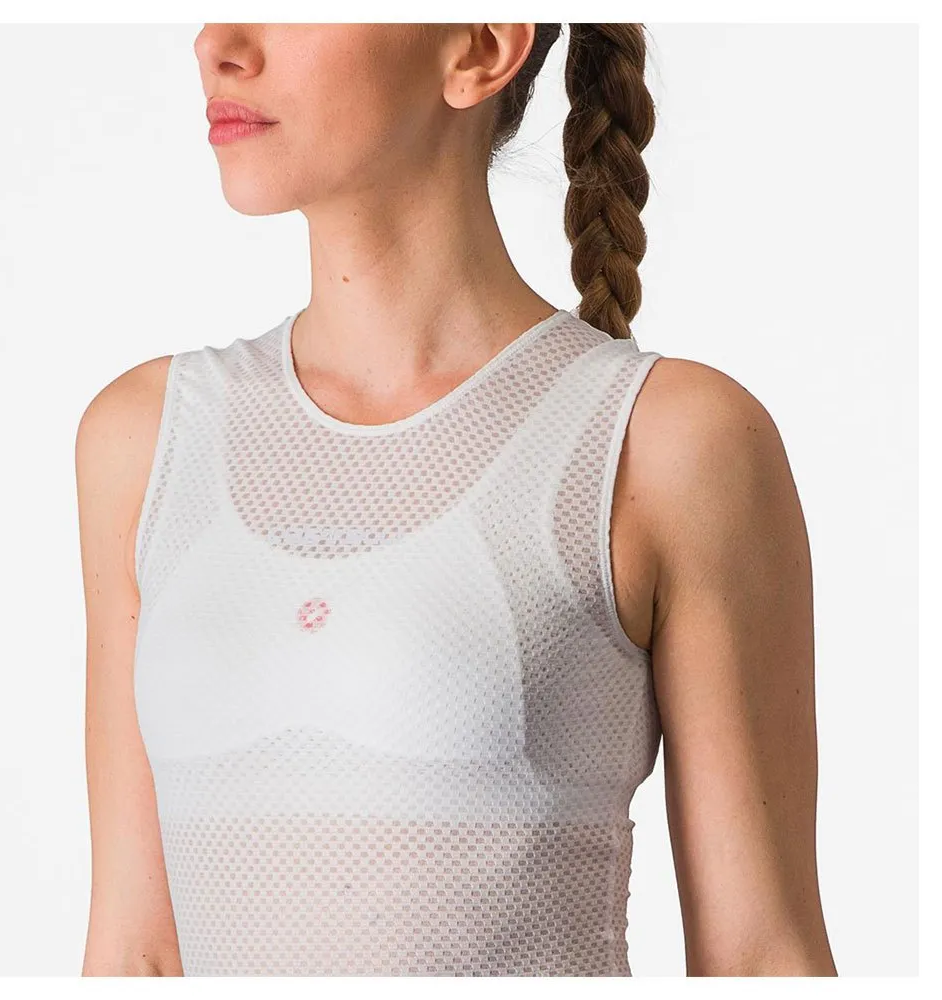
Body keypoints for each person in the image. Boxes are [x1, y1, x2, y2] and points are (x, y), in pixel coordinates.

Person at [76, 23, 837, 977]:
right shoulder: (148, 441)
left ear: (480, 46)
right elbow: (133, 957)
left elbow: (762, 961)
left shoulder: (667, 443)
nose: (217, 43)